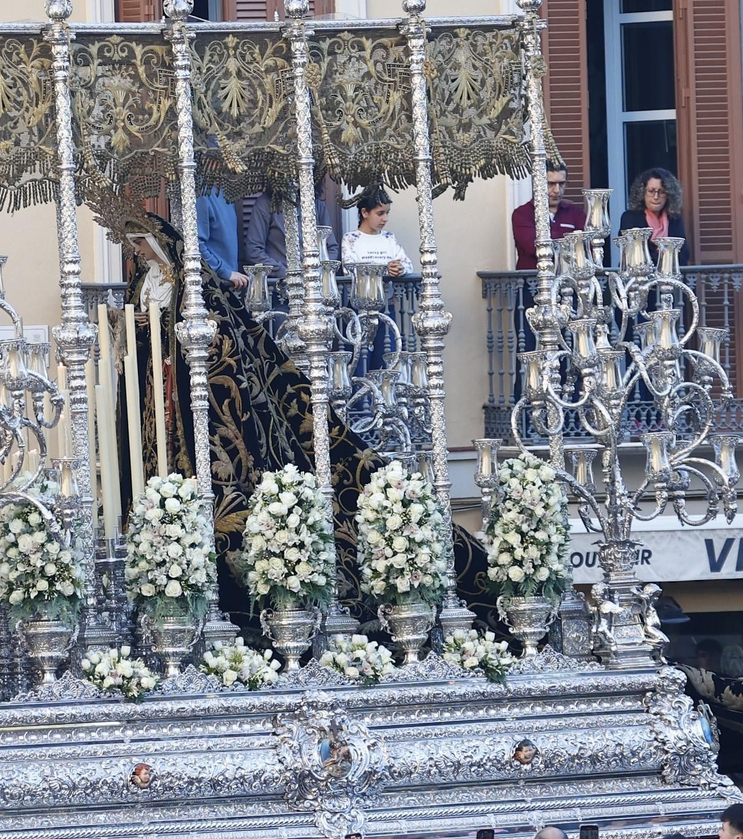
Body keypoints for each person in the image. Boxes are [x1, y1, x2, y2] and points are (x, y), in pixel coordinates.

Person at [113, 215, 492, 628]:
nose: (137, 250)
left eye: (140, 242)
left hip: (191, 392)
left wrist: (164, 325)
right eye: (132, 243)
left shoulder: (193, 282)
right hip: (155, 385)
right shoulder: (141, 280)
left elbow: (215, 335)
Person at [340, 187, 413, 373]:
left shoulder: (389, 238)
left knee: (385, 361)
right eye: (380, 213)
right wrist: (384, 270)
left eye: (387, 213)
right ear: (365, 212)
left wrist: (400, 268)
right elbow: (350, 269)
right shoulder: (351, 239)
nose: (385, 218)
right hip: (359, 308)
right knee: (358, 362)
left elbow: (407, 263)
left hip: (386, 308)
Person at [241, 190, 339, 280]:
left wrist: (319, 271)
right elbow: (253, 251)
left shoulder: (317, 204)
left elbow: (331, 247)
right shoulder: (265, 204)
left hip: (315, 284)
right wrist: (284, 272)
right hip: (280, 287)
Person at [511, 160, 587, 270]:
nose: (557, 190)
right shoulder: (522, 214)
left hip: (569, 281)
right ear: (537, 184)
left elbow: (585, 247)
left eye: (561, 184)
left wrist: (550, 238)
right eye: (550, 184)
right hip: (533, 282)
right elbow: (533, 247)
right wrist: (570, 239)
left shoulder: (576, 213)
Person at [617, 167, 692, 268]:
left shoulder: (675, 219)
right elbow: (633, 254)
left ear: (669, 195)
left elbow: (683, 255)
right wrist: (666, 257)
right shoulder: (630, 218)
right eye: (651, 191)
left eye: (661, 192)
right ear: (642, 192)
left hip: (670, 279)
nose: (656, 197)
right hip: (636, 279)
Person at [196, 189, 248, 291]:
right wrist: (223, 271)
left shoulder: (225, 192)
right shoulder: (202, 193)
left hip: (230, 285)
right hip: (210, 286)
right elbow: (194, 245)